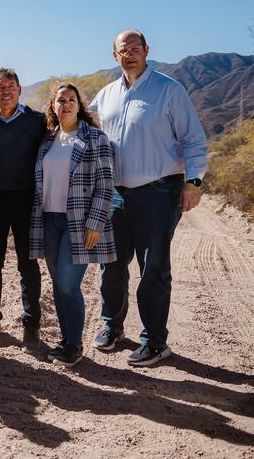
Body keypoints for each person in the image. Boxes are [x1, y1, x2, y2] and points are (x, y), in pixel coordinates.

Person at [89, 29, 208, 366]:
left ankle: (155, 342)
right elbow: (84, 130)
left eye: (135, 48)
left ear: (146, 50)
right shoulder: (106, 95)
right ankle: (112, 328)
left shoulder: (169, 90)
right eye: (123, 50)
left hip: (158, 193)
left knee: (153, 268)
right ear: (114, 56)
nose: (130, 54)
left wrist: (194, 181)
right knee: (111, 267)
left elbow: (194, 139)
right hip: (115, 195)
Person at [29, 83, 117, 368]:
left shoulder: (94, 138)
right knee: (58, 284)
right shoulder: (47, 140)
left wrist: (96, 223)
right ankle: (66, 341)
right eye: (60, 100)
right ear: (52, 106)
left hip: (78, 222)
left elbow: (106, 183)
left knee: (68, 285)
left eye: (71, 100)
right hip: (49, 220)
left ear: (79, 106)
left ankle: (75, 345)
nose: (66, 104)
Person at [0, 68, 46, 350]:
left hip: (27, 201)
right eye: (0, 88)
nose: (6, 92)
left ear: (19, 90)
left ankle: (31, 324)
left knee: (28, 264)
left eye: (11, 87)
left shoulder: (36, 121)